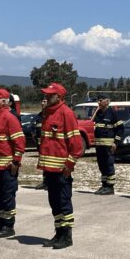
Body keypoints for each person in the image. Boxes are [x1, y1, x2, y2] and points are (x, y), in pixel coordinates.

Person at [37, 82, 83, 249]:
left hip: (62, 170)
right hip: (49, 169)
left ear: (60, 96)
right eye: (46, 94)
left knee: (63, 201)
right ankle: (58, 233)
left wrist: (69, 165)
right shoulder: (47, 114)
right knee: (54, 202)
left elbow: (76, 144)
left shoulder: (66, 113)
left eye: (50, 94)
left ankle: (67, 236)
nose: (47, 96)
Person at [0, 88, 26, 238]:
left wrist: (16, 161)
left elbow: (20, 142)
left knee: (7, 196)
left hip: (8, 166)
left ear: (3, 102)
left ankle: (9, 226)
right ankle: (1, 223)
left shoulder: (9, 117)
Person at [92, 93, 123, 195]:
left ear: (107, 101)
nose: (99, 102)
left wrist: (116, 142)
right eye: (98, 100)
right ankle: (104, 184)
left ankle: (110, 187)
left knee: (108, 165)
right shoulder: (98, 113)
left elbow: (120, 129)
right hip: (99, 145)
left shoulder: (113, 113)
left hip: (108, 145)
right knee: (102, 166)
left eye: (101, 100)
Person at [33, 98, 48, 190]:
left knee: (48, 164)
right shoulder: (39, 116)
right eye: (41, 101)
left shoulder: (50, 115)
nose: (42, 103)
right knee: (43, 164)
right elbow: (34, 126)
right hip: (40, 145)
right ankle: (45, 182)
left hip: (48, 145)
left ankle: (50, 182)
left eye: (45, 101)